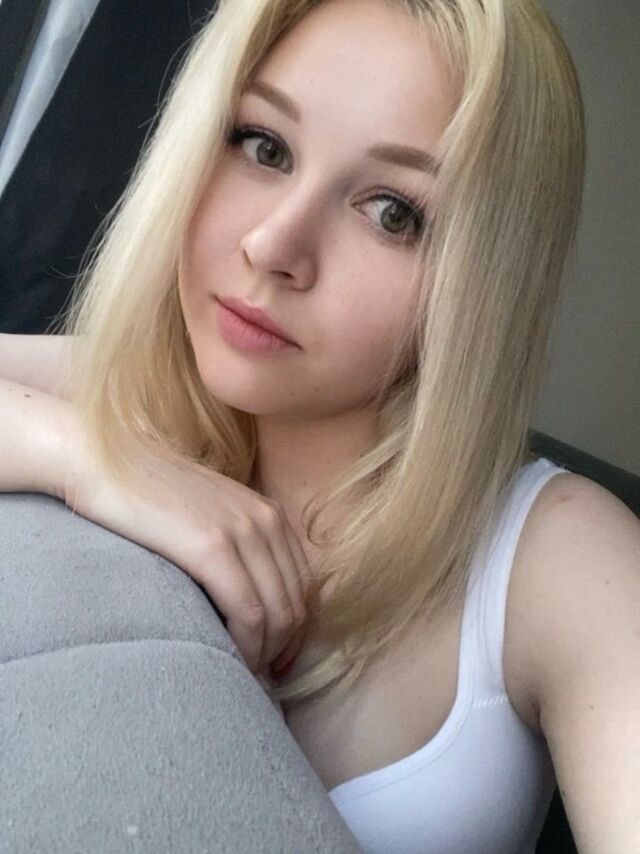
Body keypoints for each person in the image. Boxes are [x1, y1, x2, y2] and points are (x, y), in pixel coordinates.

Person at [1, 0, 639, 851]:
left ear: (486, 281)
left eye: (393, 212)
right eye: (264, 146)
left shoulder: (563, 559)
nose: (273, 246)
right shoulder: (131, 395)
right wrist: (88, 460)